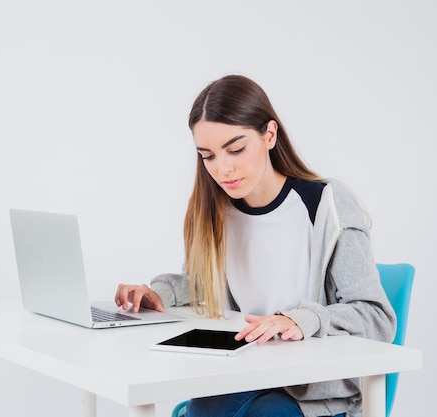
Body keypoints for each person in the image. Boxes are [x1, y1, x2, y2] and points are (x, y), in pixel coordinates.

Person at [115, 74, 396, 417]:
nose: (223, 168)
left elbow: (376, 316)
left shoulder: (326, 204)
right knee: (207, 404)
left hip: (314, 391)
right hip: (245, 372)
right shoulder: (218, 211)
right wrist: (159, 293)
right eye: (208, 156)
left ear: (269, 135)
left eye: (235, 149)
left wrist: (299, 320)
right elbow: (202, 283)